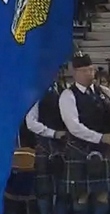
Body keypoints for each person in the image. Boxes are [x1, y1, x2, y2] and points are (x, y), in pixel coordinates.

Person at [58, 52, 110, 214]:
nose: (90, 74)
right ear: (75, 73)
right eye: (85, 71)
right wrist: (100, 137)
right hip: (80, 149)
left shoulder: (104, 91)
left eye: (91, 69)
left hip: (104, 149)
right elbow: (74, 126)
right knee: (82, 195)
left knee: (103, 194)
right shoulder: (68, 95)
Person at [26, 76, 70, 214]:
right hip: (45, 145)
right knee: (44, 191)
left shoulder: (65, 89)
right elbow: (31, 122)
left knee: (64, 191)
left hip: (65, 146)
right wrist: (53, 133)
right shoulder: (36, 92)